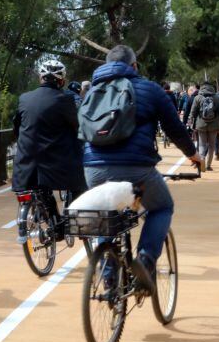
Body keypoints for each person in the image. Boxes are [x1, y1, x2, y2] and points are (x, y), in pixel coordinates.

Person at [82, 45, 201, 294]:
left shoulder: (92, 91)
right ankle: (145, 260)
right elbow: (174, 128)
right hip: (136, 168)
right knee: (162, 207)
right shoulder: (149, 89)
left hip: (93, 168)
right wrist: (192, 154)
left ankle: (109, 279)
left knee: (106, 216)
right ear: (134, 66)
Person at [11, 59, 87, 243]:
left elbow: (17, 127)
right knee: (79, 183)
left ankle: (53, 225)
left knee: (41, 190)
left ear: (41, 78)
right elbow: (77, 125)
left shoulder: (24, 98)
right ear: (61, 81)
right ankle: (73, 223)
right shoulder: (65, 99)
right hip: (56, 162)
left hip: (25, 161)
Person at [187, 80, 219, 171]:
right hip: (214, 125)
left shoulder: (198, 97)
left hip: (201, 124)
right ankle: (208, 165)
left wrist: (191, 121)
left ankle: (202, 160)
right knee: (212, 145)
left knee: (202, 144)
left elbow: (193, 112)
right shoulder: (216, 97)